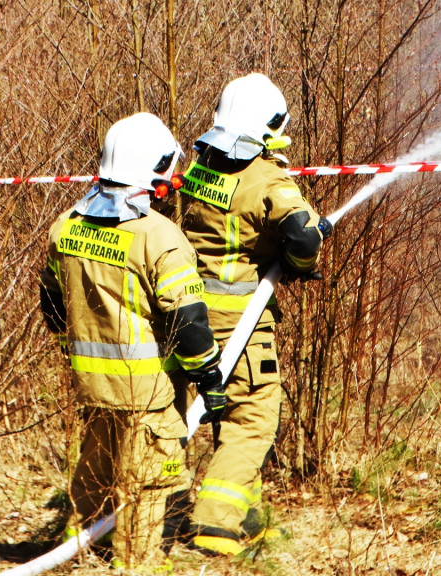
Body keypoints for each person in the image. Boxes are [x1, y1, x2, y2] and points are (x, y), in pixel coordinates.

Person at [39, 112, 226, 571]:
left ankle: (79, 557)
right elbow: (188, 322)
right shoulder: (160, 238)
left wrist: (72, 351)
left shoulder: (65, 226)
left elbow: (52, 303)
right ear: (153, 169)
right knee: (144, 490)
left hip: (93, 388)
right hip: (149, 396)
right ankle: (135, 566)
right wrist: (209, 377)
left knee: (94, 478)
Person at [179, 73, 331, 557]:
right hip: (240, 320)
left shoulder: (201, 167)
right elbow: (302, 236)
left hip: (186, 314)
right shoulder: (267, 177)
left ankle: (245, 518)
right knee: (252, 420)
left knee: (209, 414)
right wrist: (302, 260)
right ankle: (215, 524)